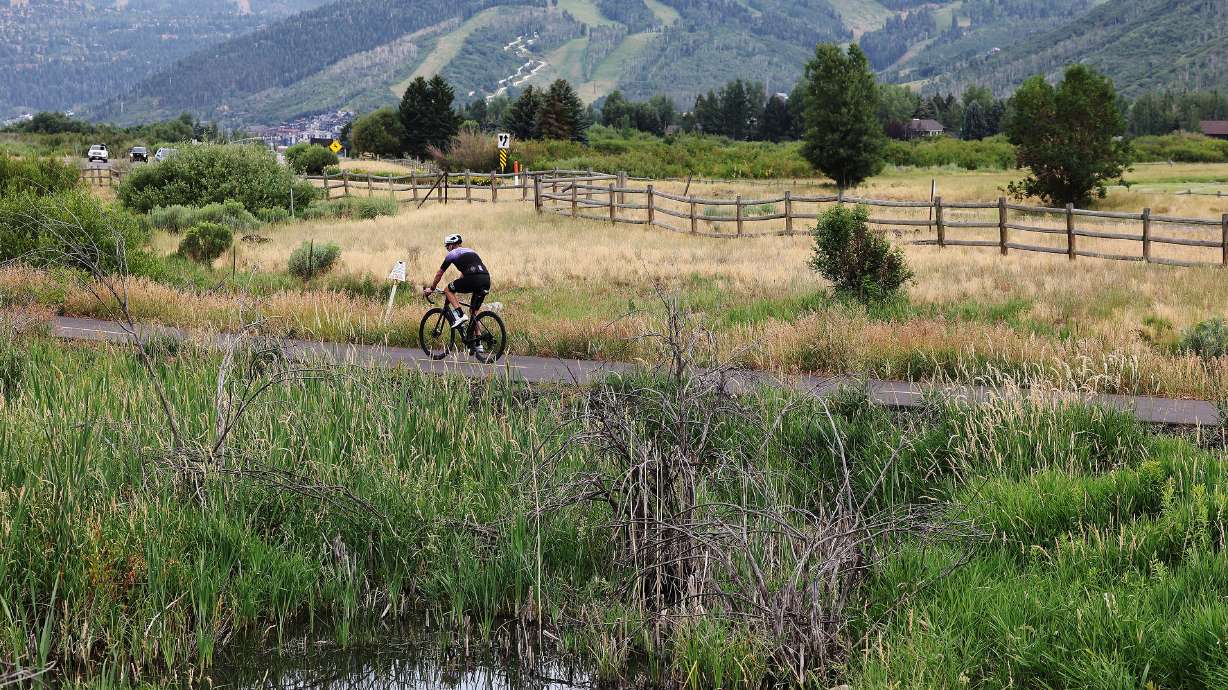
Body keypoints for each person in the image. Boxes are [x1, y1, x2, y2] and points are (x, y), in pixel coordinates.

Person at [423, 233, 490, 332]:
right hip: (486, 279)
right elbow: (465, 273)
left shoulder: (452, 254)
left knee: (447, 290)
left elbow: (439, 273)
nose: (447, 249)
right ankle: (478, 343)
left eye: (447, 247)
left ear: (451, 245)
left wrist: (432, 288)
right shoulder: (472, 251)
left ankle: (461, 315)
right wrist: (459, 283)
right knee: (473, 313)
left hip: (473, 279)